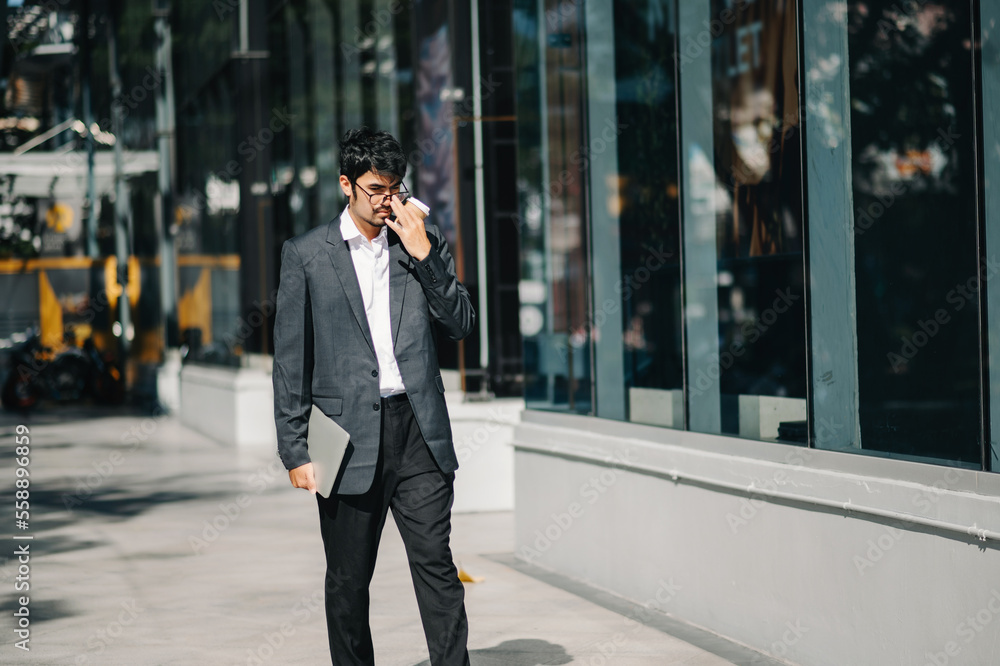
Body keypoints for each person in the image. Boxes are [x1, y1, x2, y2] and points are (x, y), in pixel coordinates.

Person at [272, 127, 474, 665]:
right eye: (375, 189)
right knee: (347, 582)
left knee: (437, 566)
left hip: (418, 434)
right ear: (347, 185)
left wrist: (425, 252)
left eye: (395, 187)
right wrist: (295, 449)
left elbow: (458, 324)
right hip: (344, 438)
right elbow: (291, 360)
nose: (389, 199)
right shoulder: (307, 255)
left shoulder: (419, 245)